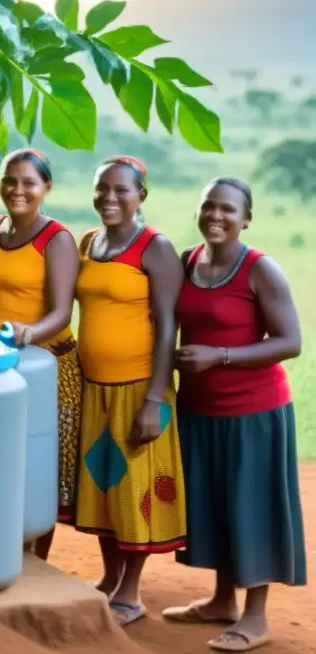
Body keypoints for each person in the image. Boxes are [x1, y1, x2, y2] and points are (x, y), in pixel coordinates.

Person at [163, 178, 305, 653]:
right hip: (199, 410)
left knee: (253, 507)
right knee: (216, 504)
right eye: (208, 206)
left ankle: (256, 616)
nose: (216, 215)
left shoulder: (261, 270)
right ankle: (222, 600)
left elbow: (291, 342)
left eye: (227, 209)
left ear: (246, 219)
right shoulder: (186, 262)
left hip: (254, 413)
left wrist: (220, 355)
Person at [74, 156, 187, 627]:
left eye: (122, 190)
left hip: (139, 388)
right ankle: (109, 577)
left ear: (142, 194)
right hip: (93, 386)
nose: (110, 198)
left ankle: (131, 591)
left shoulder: (154, 248)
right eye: (103, 189)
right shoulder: (88, 242)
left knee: (134, 487)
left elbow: (167, 327)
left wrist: (156, 398)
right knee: (103, 483)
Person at [0, 149, 81, 559]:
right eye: (9, 180)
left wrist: (30, 332)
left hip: (46, 368)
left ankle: (37, 561)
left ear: (45, 188)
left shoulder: (57, 239)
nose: (18, 190)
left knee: (39, 466)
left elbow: (61, 312)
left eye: (29, 183)